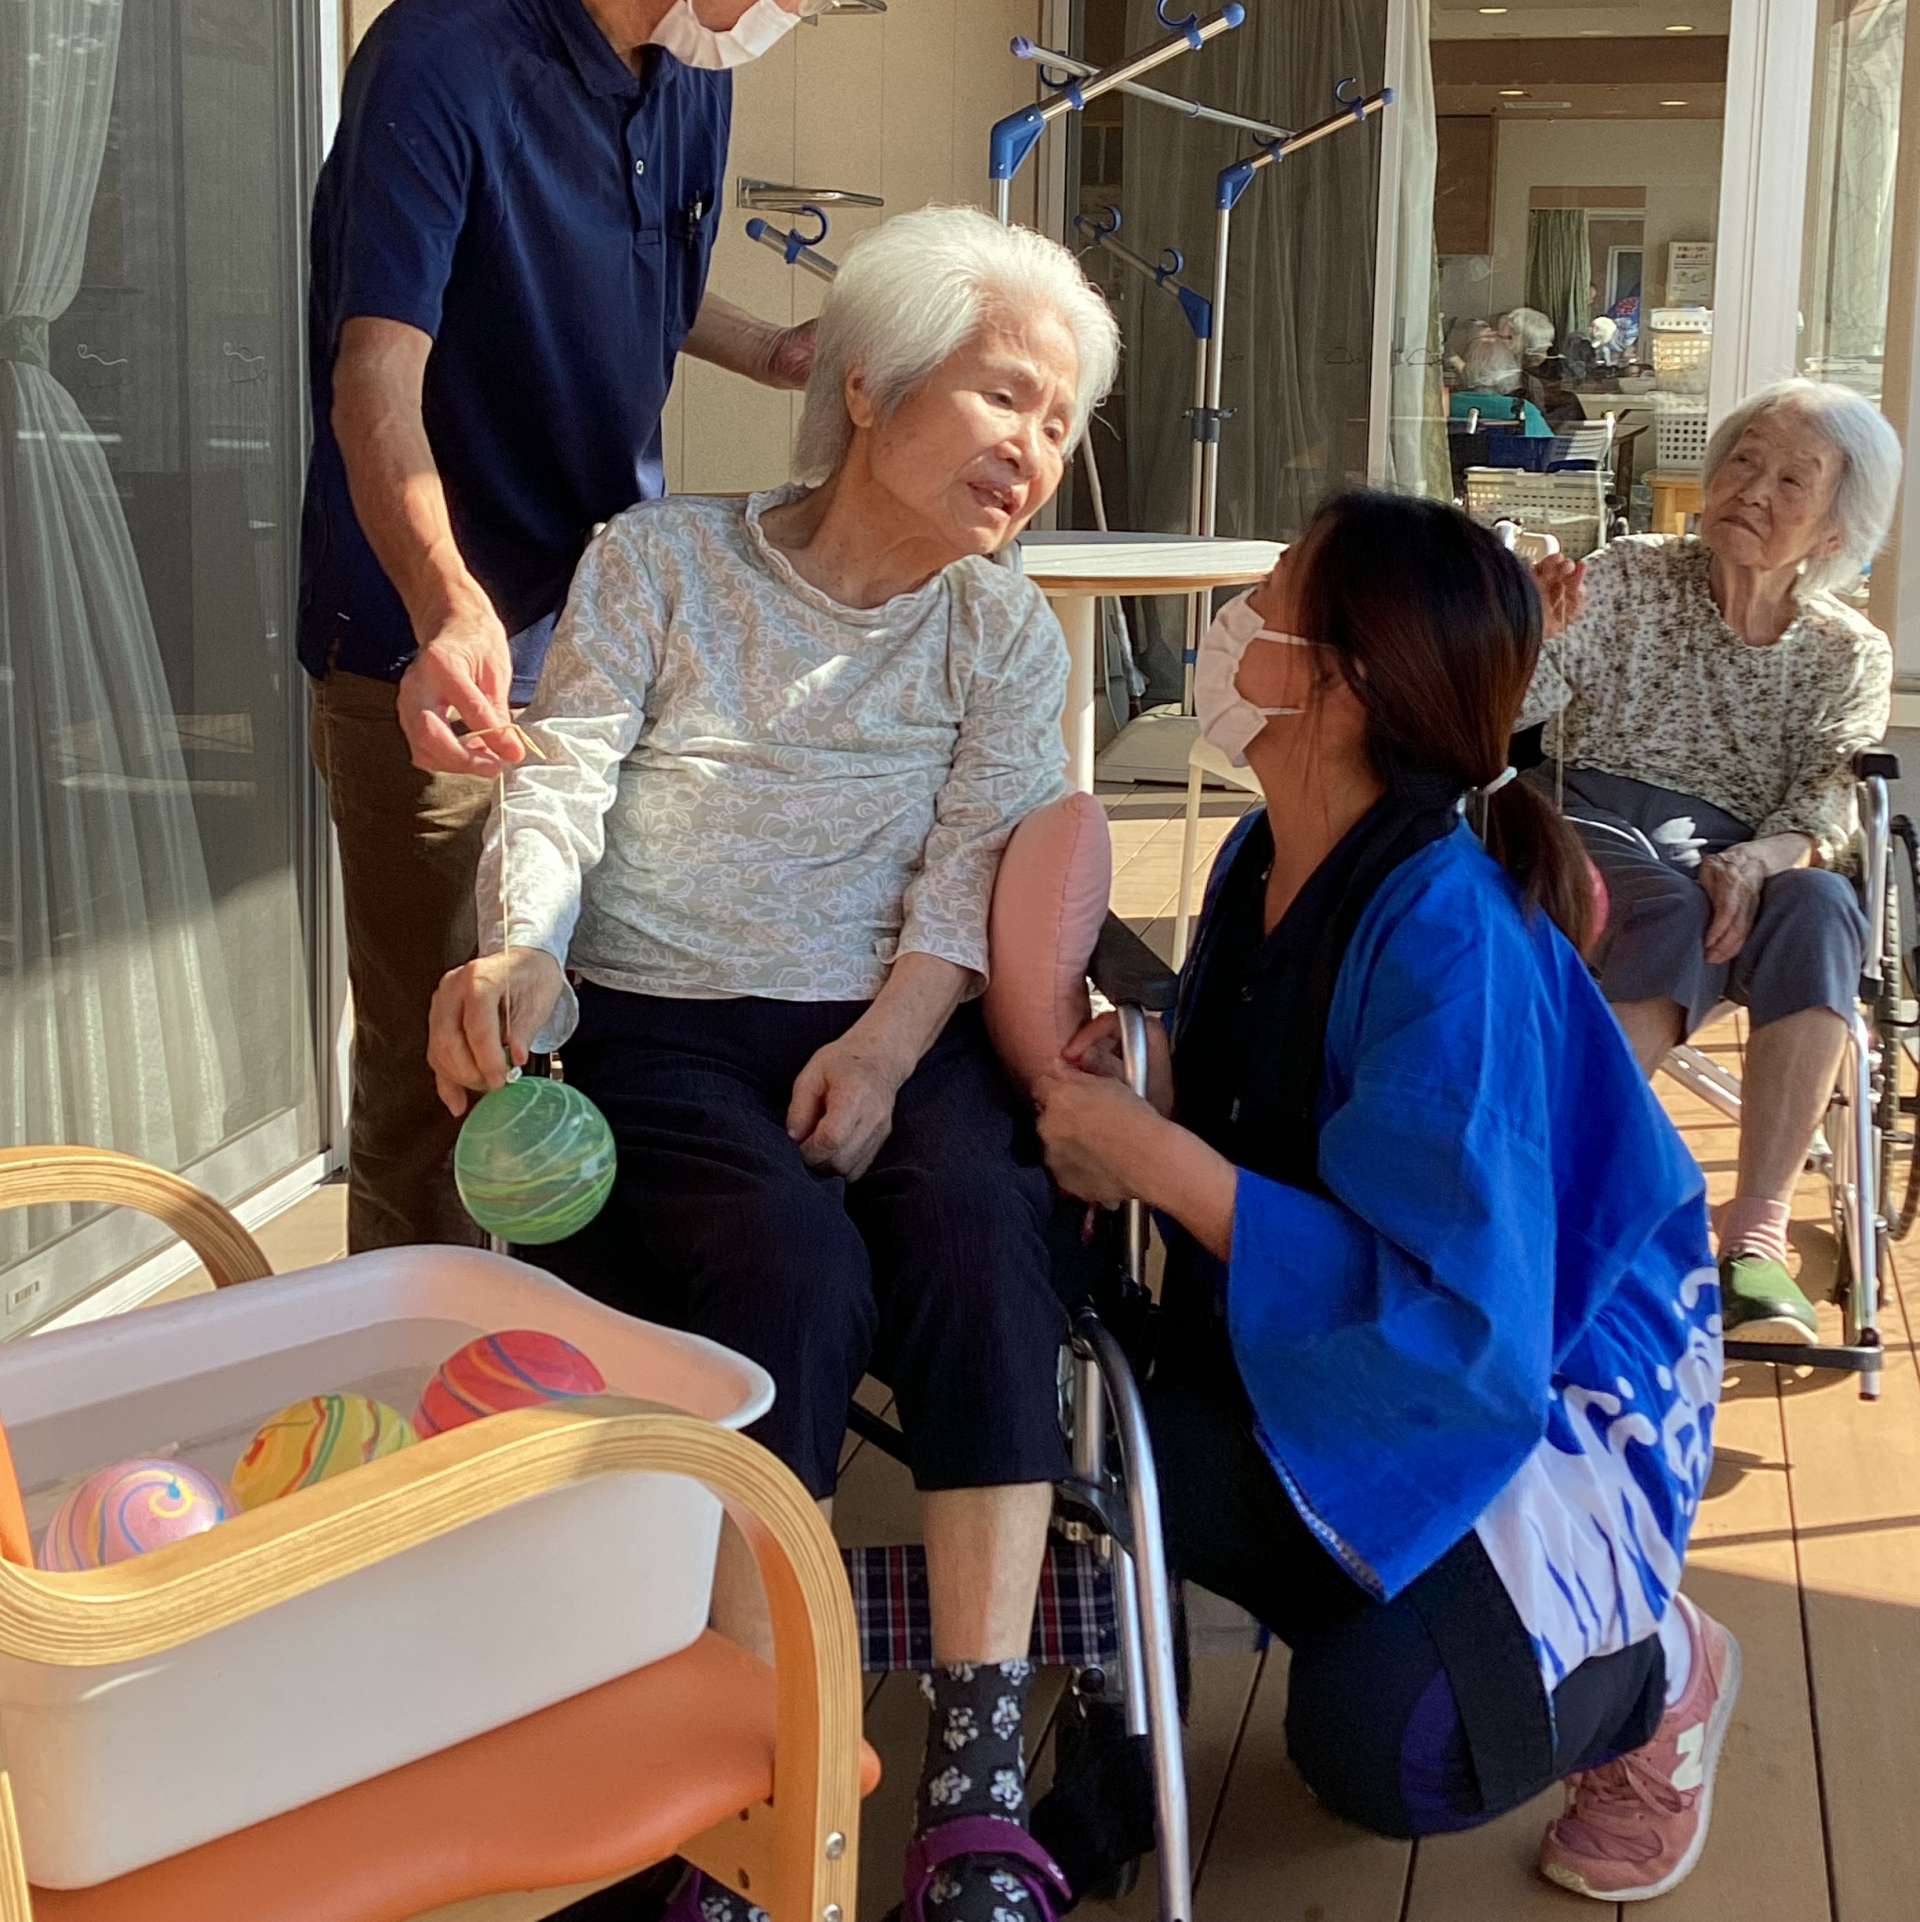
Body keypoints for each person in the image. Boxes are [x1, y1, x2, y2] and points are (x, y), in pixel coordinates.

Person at [428, 208, 1118, 1922]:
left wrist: (884, 1052)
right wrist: (524, 946)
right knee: (790, 1268)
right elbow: (564, 778)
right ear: (869, 387)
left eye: (1059, 421)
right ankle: (755, 1778)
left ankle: (975, 1780)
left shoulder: (1000, 631)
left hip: (895, 1015)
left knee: (983, 1232)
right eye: (1006, 395)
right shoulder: (659, 560)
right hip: (658, 1018)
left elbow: (969, 869)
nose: (1033, 448)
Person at [1033, 493, 1728, 1902]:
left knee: (1388, 1745)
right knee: (1128, 1451)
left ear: (1342, 684)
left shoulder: (1449, 935)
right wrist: (1156, 1070)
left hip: (1553, 1391)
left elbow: (1463, 1331)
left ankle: (1658, 1672)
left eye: (1274, 590)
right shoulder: (1264, 854)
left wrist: (1156, 1160)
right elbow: (1284, 1103)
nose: (1234, 619)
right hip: (1379, 1344)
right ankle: (1358, 1618)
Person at [300, 0, 883, 1252]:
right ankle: (419, 1384)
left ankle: (559, 1356)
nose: (804, 8)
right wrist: (448, 609)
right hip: (433, 655)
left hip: (608, 634)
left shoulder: (681, 72)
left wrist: (776, 351)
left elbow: (645, 284)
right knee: (443, 1074)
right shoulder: (441, 64)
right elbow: (374, 379)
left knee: (598, 1024)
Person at [1523, 379, 1902, 1346]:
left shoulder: (1848, 652)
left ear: (1836, 528)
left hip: (1745, 848)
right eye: (1744, 459)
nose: (1754, 490)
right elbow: (1518, 709)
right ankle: (1555, 1194)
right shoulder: (1630, 574)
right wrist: (1529, 630)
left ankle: (1757, 1237)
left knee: (1822, 907)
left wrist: (1761, 860)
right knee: (1673, 911)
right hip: (1588, 817)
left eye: (1792, 480)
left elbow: (1830, 797)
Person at [1447, 326, 1552, 438]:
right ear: (1509, 371)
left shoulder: (1445, 402)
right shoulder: (1523, 410)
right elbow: (1552, 447)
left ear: (1467, 368)